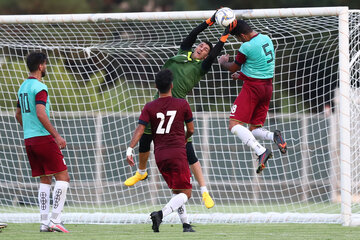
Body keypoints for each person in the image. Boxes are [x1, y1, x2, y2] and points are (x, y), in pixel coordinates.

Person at [124, 10, 238, 209]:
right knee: (145, 138)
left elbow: (214, 54)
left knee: (189, 151)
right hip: (159, 105)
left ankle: (204, 191)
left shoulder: (200, 67)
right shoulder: (182, 54)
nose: (202, 48)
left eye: (205, 49)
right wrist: (209, 21)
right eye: (201, 46)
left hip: (176, 110)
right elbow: (192, 35)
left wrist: (225, 35)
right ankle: (141, 172)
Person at [126, 69, 195, 232]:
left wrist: (130, 149)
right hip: (177, 152)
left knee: (177, 190)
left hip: (160, 155)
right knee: (187, 193)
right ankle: (161, 214)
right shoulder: (182, 104)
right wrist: (184, 138)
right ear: (172, 85)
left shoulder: (149, 107)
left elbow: (140, 130)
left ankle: (186, 224)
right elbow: (191, 130)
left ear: (156, 86)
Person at [218, 20, 287, 174]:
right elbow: (259, 66)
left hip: (253, 89)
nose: (239, 41)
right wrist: (242, 75)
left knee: (234, 125)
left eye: (238, 38)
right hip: (267, 87)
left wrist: (223, 62)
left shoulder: (246, 46)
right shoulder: (266, 38)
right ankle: (273, 136)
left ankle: (261, 151)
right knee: (254, 128)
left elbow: (233, 66)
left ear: (242, 35)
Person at [15, 52, 70, 233]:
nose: (46, 67)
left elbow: (18, 114)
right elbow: (40, 112)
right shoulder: (40, 87)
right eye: (45, 64)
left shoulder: (22, 87)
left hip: (29, 140)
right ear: (40, 66)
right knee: (63, 177)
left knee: (44, 179)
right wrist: (56, 136)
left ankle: (44, 222)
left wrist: (30, 129)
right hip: (42, 138)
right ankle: (56, 219)